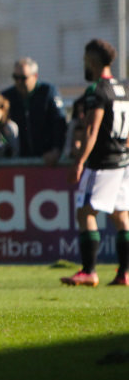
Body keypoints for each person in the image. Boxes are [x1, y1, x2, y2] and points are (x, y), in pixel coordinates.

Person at [61, 39, 129, 287]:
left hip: (103, 163)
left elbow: (92, 130)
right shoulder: (121, 89)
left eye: (85, 58)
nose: (84, 63)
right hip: (123, 160)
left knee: (85, 212)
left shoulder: (97, 91)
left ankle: (89, 270)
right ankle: (124, 273)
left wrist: (79, 162)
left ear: (92, 60)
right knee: (122, 216)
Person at [2, 57, 67, 165]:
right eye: (15, 77)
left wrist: (57, 149)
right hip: (18, 160)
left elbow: (59, 122)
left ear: (35, 76)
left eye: (23, 78)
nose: (19, 82)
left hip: (46, 159)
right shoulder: (8, 96)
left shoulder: (48, 92)